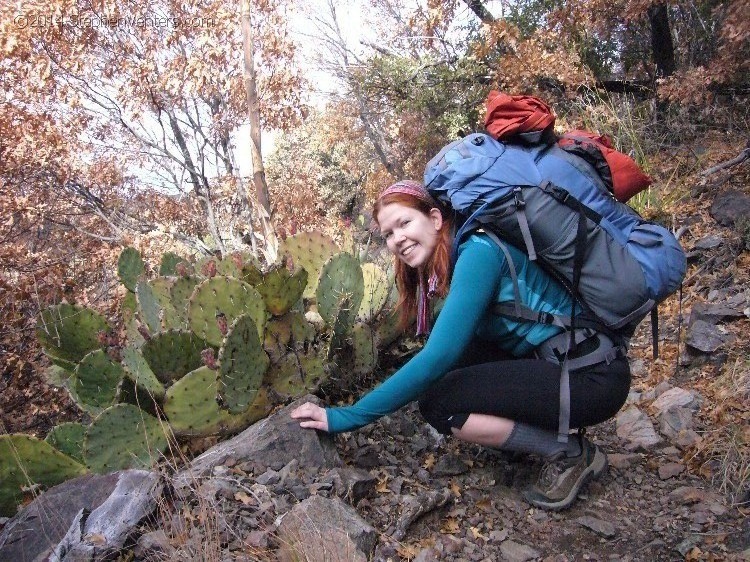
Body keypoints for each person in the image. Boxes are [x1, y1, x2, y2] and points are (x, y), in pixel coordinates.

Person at [291, 179, 631, 510]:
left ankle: (570, 450)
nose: (397, 239)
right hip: (568, 362)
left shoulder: (477, 254)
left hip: (592, 378)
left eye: (404, 222)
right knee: (453, 364)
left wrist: (344, 417)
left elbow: (436, 358)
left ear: (436, 218)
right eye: (388, 234)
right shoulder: (458, 256)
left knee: (440, 402)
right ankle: (521, 431)